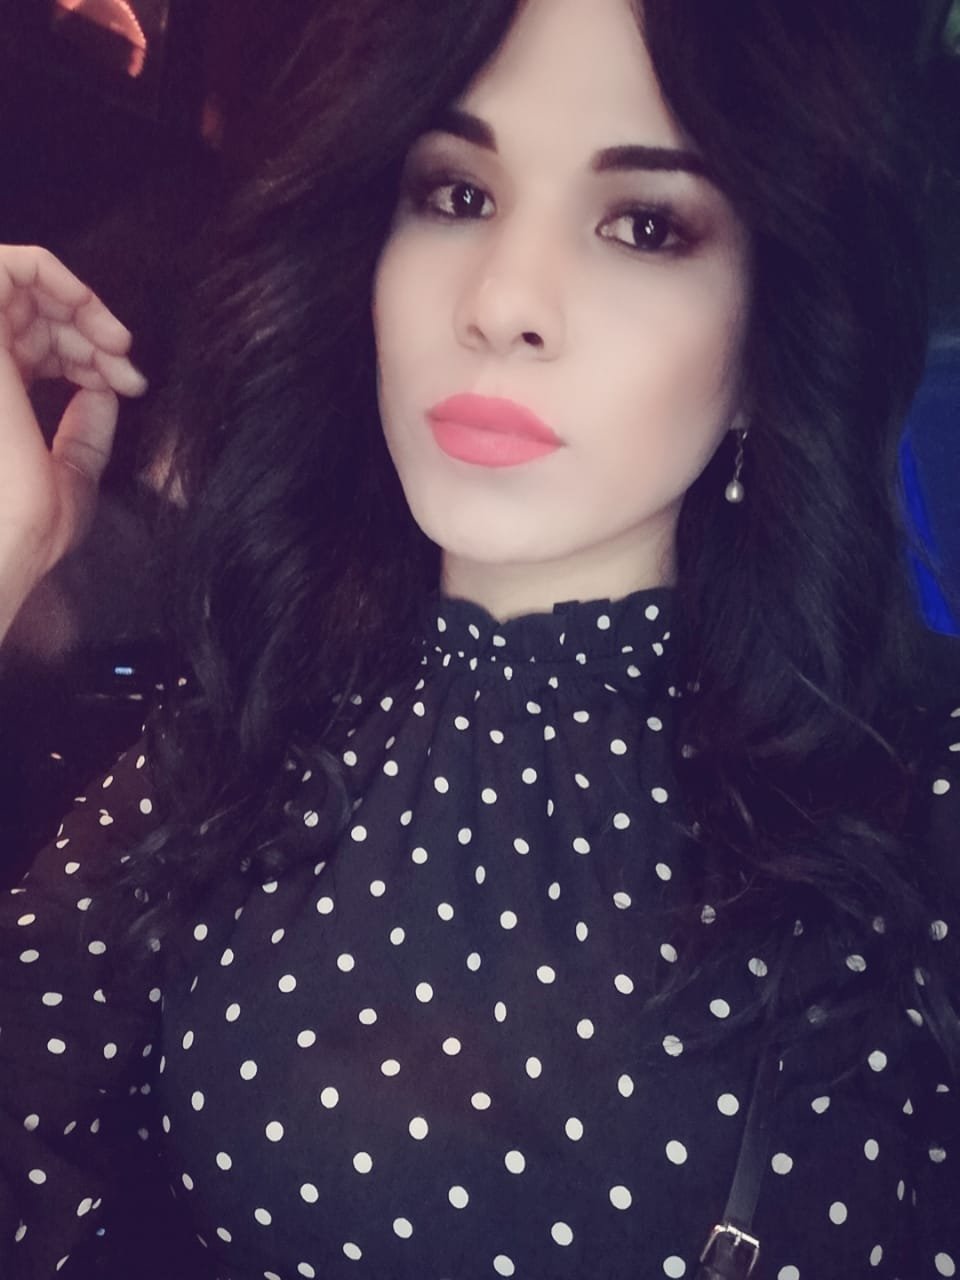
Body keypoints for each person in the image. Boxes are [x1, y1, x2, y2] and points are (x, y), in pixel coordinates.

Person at [1, 0, 959, 1277]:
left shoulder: (911, 790)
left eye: (645, 224)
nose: (504, 301)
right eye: (456, 194)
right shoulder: (242, 729)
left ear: (769, 341)